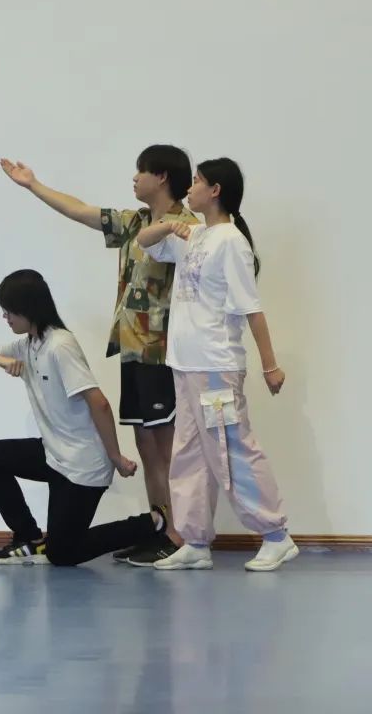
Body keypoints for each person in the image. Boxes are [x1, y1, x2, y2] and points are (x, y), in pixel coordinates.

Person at [0, 147, 199, 566]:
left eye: (141, 171)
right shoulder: (135, 222)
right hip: (133, 350)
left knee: (166, 448)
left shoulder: (185, 227)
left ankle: (179, 535)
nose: (134, 178)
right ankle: (158, 528)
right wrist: (33, 185)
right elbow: (79, 210)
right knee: (147, 445)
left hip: (162, 352)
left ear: (162, 177)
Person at [135, 157, 297, 572]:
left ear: (216, 190)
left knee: (232, 450)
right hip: (185, 365)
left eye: (197, 182)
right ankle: (195, 541)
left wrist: (270, 366)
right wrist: (169, 226)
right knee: (188, 454)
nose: (189, 189)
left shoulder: (231, 242)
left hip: (216, 368)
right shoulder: (196, 234)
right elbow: (144, 240)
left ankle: (276, 536)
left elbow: (251, 309)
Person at [0, 269, 167, 566]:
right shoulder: (28, 344)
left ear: (28, 309)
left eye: (9, 311)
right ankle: (30, 538)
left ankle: (150, 523)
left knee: (63, 553)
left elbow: (99, 403)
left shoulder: (60, 345)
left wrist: (115, 457)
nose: (5, 317)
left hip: (82, 465)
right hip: (54, 455)